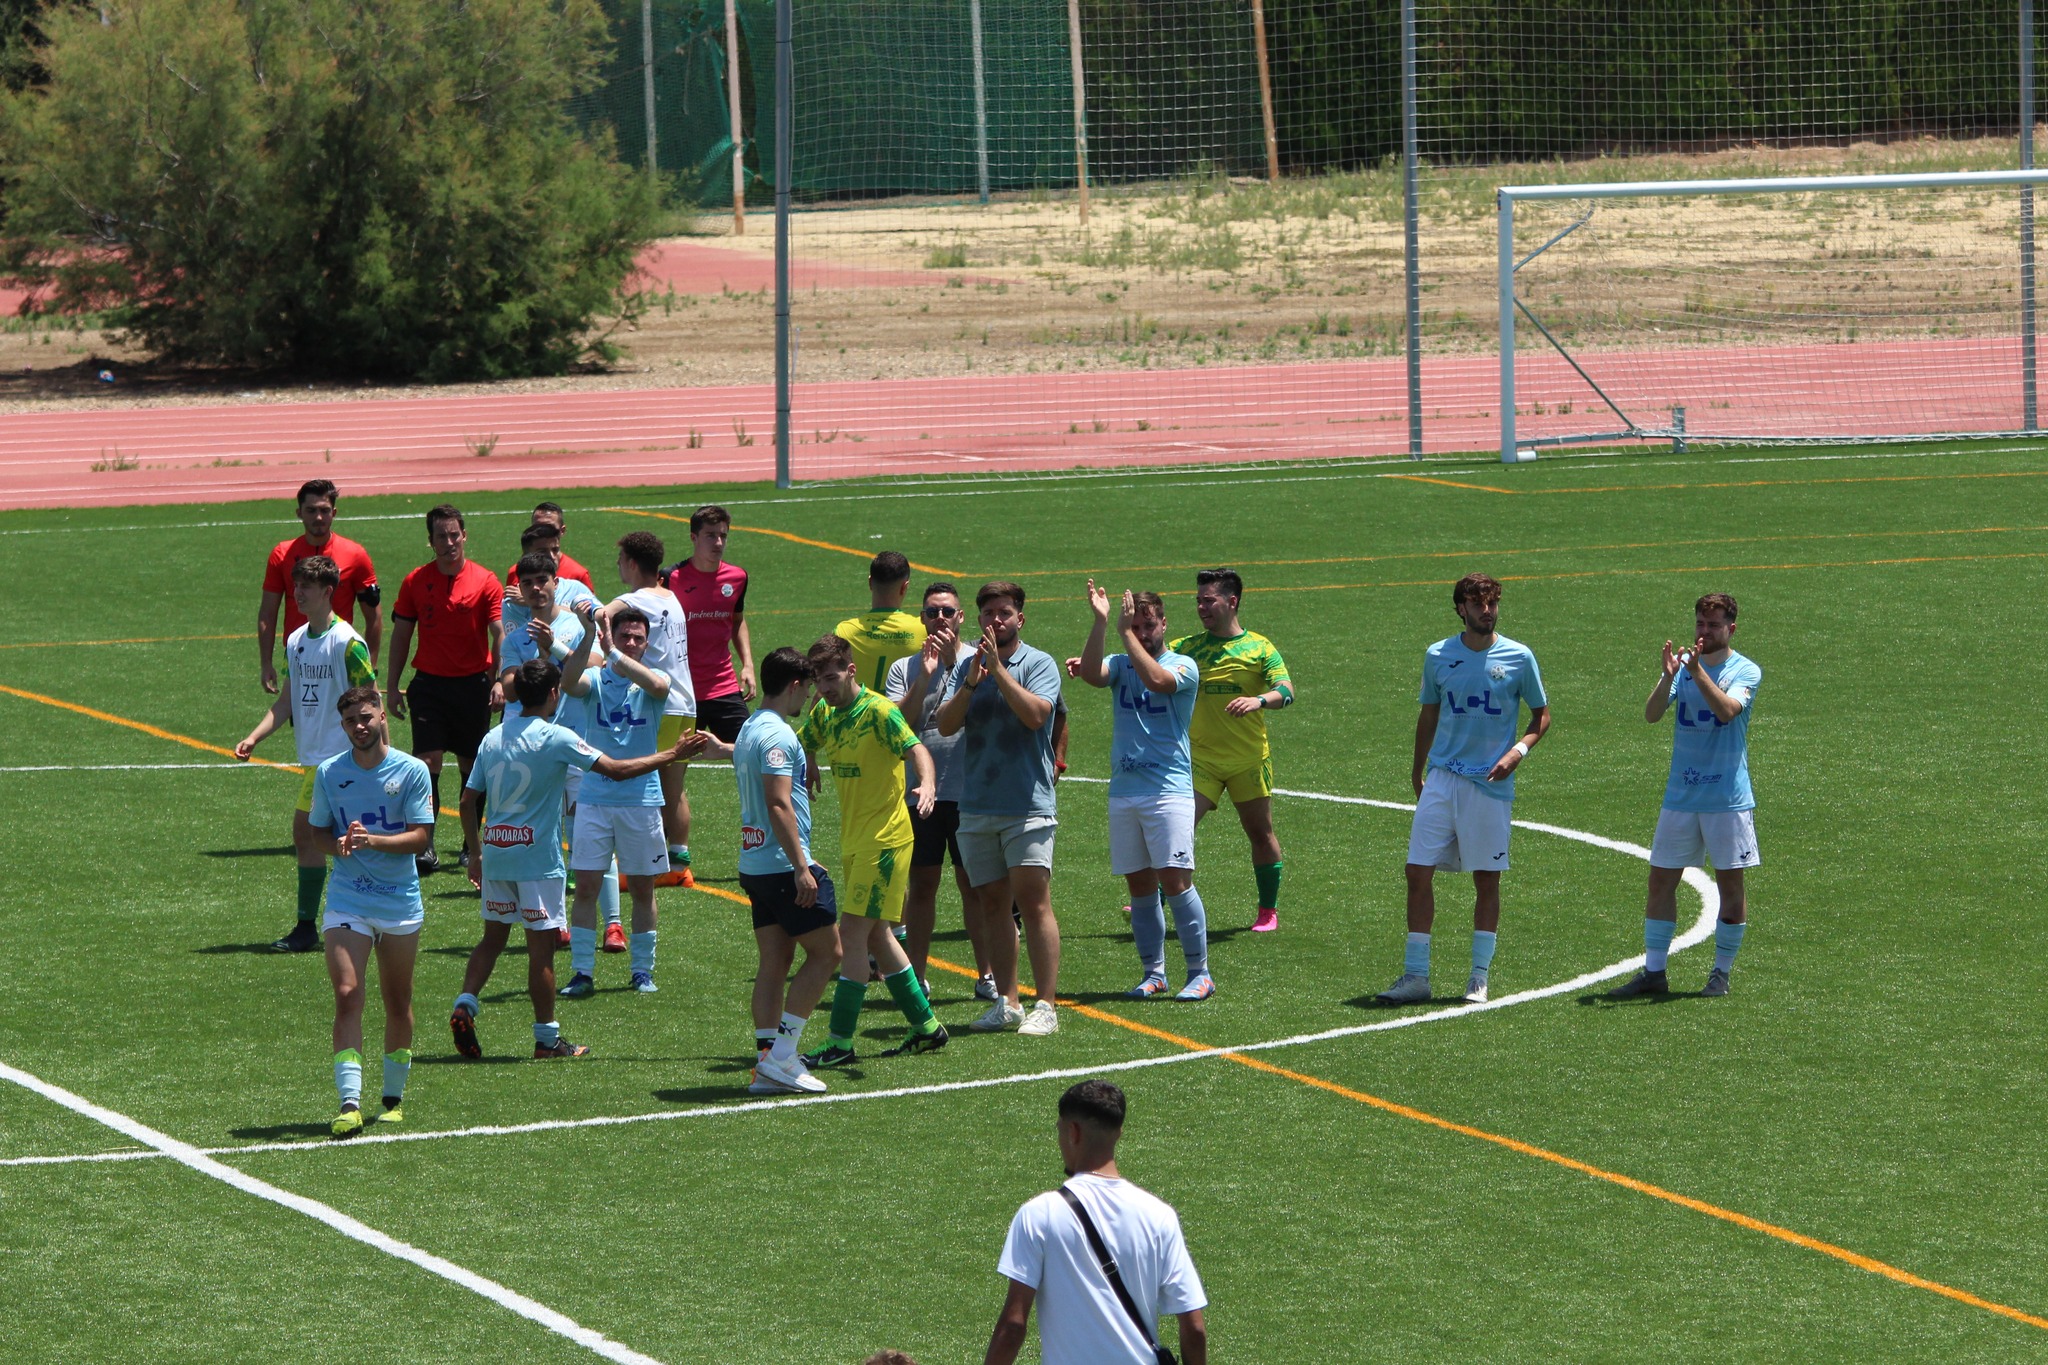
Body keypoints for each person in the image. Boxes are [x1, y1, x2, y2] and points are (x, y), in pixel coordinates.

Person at [451, 655, 700, 1060]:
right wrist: (671, 755)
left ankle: (465, 1003)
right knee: (540, 951)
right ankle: (547, 1040)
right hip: (537, 860)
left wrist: (475, 852)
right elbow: (616, 770)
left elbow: (467, 799)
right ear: (553, 694)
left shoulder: (492, 739)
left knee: (492, 939)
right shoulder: (556, 738)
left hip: (496, 851)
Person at [1377, 573, 1550, 1007]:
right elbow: (1428, 715)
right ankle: (1417, 976)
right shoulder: (1438, 655)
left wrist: (1519, 752)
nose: (1486, 611)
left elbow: (1541, 715)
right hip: (1442, 779)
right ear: (1460, 609)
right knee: (1417, 871)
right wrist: (1418, 772)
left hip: (1489, 786)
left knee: (1486, 879)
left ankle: (1478, 976)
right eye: (1477, 604)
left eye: (1491, 603)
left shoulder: (1518, 656)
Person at [795, 634, 948, 1066]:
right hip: (856, 840)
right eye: (818, 680)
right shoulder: (824, 712)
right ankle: (927, 1028)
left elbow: (916, 747)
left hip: (885, 840)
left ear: (850, 671)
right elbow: (805, 738)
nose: (823, 687)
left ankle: (840, 1044)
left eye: (830, 677)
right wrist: (808, 758)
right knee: (878, 935)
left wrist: (929, 784)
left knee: (852, 936)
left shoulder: (878, 711)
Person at [985, 1080, 1208, 1365]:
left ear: (1073, 1131)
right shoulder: (1159, 1215)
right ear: (1118, 1133)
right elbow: (1194, 1327)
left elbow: (1014, 1325)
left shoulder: (1040, 1214)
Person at [1609, 593, 1760, 999]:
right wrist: (1667, 677)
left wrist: (1696, 674)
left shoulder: (1745, 670)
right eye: (1699, 624)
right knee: (1660, 881)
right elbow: (1652, 714)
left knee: (1731, 886)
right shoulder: (1682, 669)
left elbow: (1728, 711)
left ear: (1731, 629)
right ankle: (1654, 973)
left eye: (1713, 625)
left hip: (1727, 800)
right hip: (1681, 796)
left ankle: (1721, 974)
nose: (1704, 632)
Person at [300, 685, 434, 1138]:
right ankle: (350, 1102)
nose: (359, 726)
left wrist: (371, 841)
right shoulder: (329, 773)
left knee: (398, 1000)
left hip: (398, 902)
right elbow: (317, 833)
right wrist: (334, 844)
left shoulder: (412, 771)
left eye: (366, 717)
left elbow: (422, 838)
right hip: (348, 900)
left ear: (381, 717)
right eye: (351, 721)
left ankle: (392, 1099)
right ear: (343, 727)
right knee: (346, 991)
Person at [937, 581, 1064, 1037]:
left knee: (1033, 903)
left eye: (1005, 612)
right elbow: (946, 724)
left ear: (1020, 619)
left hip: (1027, 805)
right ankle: (1007, 1001)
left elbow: (1036, 715)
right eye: (989, 612)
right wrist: (972, 679)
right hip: (976, 805)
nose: (996, 620)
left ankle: (1045, 1004)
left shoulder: (1039, 663)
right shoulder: (966, 668)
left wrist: (998, 670)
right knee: (992, 903)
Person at [1075, 583, 1212, 1001]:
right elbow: (1091, 674)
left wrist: (1124, 635)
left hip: (1168, 790)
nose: (1142, 632)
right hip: (1124, 790)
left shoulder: (1184, 665)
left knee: (1175, 881)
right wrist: (1101, 623)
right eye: (1136, 626)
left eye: (1148, 625)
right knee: (1139, 886)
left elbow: (1156, 681)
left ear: (1164, 624)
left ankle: (1200, 973)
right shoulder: (1121, 661)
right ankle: (1154, 974)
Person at [236, 556, 379, 953]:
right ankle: (335, 922)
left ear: (328, 592)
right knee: (323, 839)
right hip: (316, 761)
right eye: (295, 586)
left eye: (305, 588)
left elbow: (370, 701)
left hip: (342, 760)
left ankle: (313, 925)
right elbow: (286, 702)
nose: (296, 594)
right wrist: (254, 737)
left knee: (315, 836)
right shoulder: (296, 642)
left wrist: (380, 758)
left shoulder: (348, 642)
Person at [716, 646, 841, 1095]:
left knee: (776, 959)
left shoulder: (752, 726)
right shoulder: (779, 736)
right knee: (829, 954)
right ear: (793, 685)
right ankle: (785, 1057)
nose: (809, 696)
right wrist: (801, 865)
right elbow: (778, 803)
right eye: (807, 687)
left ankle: (767, 1058)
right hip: (779, 865)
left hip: (754, 864)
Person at [558, 605, 684, 997]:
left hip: (642, 800)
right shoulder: (595, 679)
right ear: (610, 637)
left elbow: (660, 689)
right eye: (624, 636)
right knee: (586, 888)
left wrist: (614, 652)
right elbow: (567, 682)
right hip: (594, 797)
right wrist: (586, 634)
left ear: (647, 644)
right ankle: (582, 972)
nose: (631, 643)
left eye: (637, 638)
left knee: (644, 890)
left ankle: (642, 970)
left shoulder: (654, 680)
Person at [887, 582, 998, 1001]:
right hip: (923, 794)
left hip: (971, 792)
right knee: (923, 885)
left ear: (961, 617)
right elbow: (900, 724)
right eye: (932, 612)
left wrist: (955, 665)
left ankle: (987, 973)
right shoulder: (905, 668)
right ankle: (917, 973)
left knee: (975, 886)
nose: (940, 619)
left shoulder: (980, 660)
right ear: (920, 617)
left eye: (947, 612)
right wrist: (928, 677)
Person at [500, 548, 614, 948]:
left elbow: (599, 667)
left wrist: (558, 650)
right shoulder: (514, 637)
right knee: (548, 835)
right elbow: (512, 689)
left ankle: (613, 922)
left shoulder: (577, 625)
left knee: (590, 829)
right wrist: (542, 653)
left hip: (578, 739)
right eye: (527, 583)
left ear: (554, 583)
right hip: (534, 747)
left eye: (541, 581)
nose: (535, 589)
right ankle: (559, 922)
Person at [385, 504, 504, 881]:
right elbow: (402, 635)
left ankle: (472, 843)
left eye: (455, 535)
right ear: (430, 541)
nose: (449, 542)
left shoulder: (486, 580)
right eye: (441, 536)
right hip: (430, 685)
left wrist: (497, 678)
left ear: (465, 536)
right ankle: (426, 844)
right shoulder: (415, 581)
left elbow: (499, 632)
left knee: (473, 768)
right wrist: (391, 684)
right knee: (427, 765)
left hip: (472, 686)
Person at [1172, 568, 1294, 933]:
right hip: (1201, 759)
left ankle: (1267, 911)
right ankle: (1158, 897)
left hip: (1248, 760)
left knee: (1260, 833)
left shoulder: (1259, 647)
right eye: (1198, 601)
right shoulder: (1187, 647)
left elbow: (1286, 691)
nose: (1201, 608)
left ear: (1232, 601)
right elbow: (1145, 662)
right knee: (1176, 829)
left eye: (1208, 600)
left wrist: (1259, 700)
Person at [600, 530, 698, 886]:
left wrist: (576, 608)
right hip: (686, 702)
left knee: (647, 785)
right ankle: (680, 862)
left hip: (660, 705)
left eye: (620, 559)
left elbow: (601, 613)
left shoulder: (636, 599)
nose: (617, 566)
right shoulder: (670, 596)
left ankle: (648, 865)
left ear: (631, 562)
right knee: (675, 788)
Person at [258, 479, 381, 695]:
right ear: (299, 513)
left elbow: (374, 616)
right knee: (305, 726)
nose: (318, 517)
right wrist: (266, 663)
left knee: (347, 727)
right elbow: (267, 614)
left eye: (324, 510)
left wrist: (369, 665)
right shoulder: (281, 555)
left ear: (334, 512)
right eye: (311, 510)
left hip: (339, 658)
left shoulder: (356, 555)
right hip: (299, 657)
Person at [665, 504, 756, 744]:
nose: (718, 543)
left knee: (748, 751)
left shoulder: (737, 577)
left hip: (722, 685)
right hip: (682, 688)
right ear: (694, 538)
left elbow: (737, 620)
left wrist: (747, 665)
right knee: (673, 763)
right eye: (710, 535)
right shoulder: (670, 578)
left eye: (723, 536)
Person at [836, 550, 927, 694]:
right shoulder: (923, 629)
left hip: (862, 714)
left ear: (870, 582)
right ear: (904, 587)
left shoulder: (845, 632)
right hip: (903, 714)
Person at [525, 501, 595, 590]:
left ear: (562, 531)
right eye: (538, 527)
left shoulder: (578, 574)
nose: (543, 533)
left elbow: (590, 603)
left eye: (550, 527)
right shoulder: (516, 571)